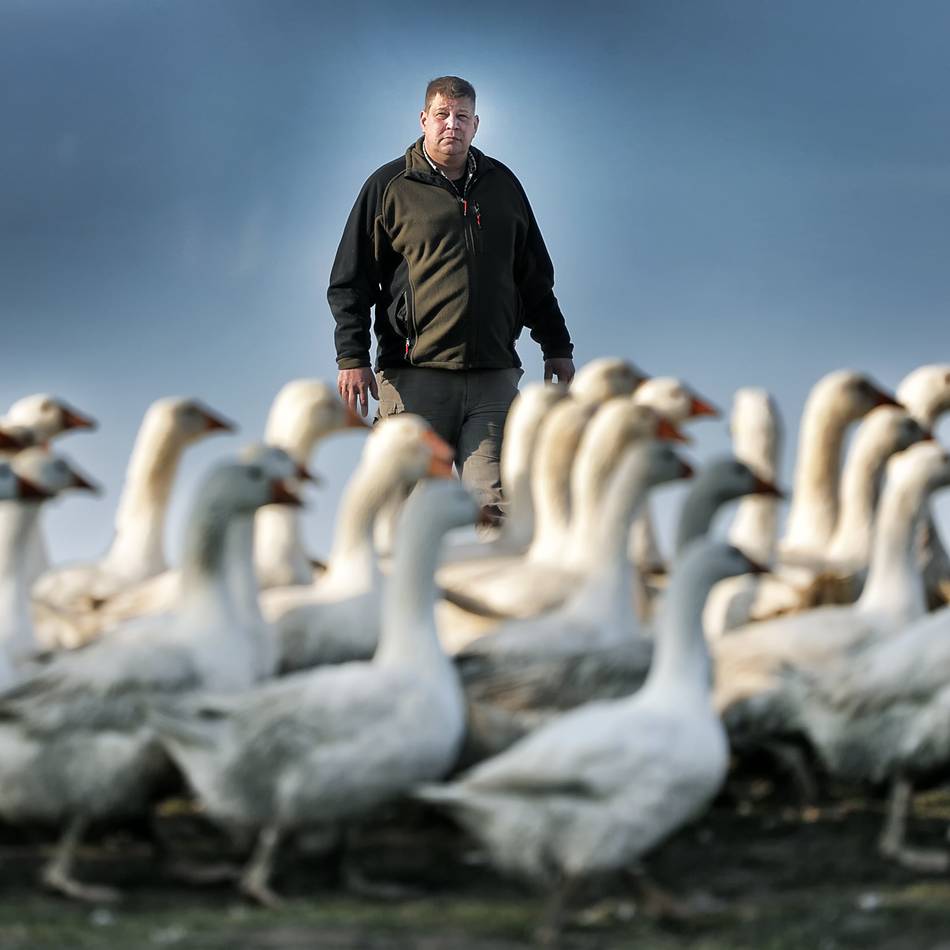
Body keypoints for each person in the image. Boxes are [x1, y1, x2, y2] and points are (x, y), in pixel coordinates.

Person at [328, 76, 575, 512]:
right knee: (410, 513)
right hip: (414, 377)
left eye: (462, 117)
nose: (452, 126)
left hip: (493, 379)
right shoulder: (389, 186)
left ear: (476, 125)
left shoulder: (503, 185)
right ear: (424, 119)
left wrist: (556, 345)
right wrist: (352, 357)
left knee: (497, 510)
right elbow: (351, 280)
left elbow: (534, 274)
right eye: (442, 115)